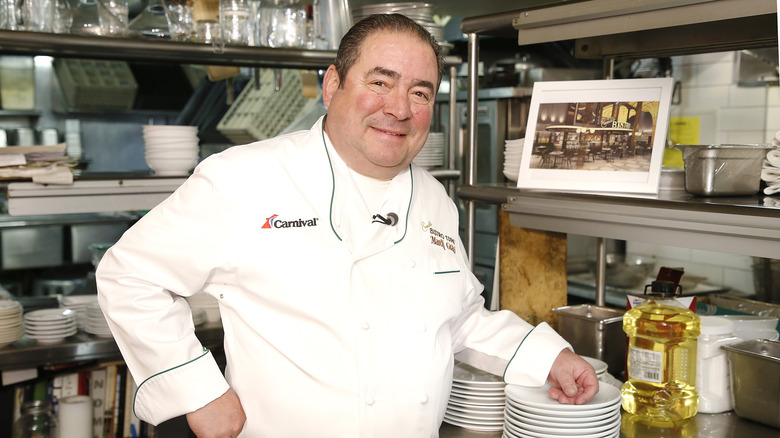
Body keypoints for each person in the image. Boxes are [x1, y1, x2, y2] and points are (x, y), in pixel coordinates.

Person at [96, 13, 599, 438]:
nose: (399, 109)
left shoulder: (434, 199)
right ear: (332, 84)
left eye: (420, 92)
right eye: (379, 82)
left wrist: (547, 357)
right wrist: (198, 391)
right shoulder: (244, 178)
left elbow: (460, 317)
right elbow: (129, 274)